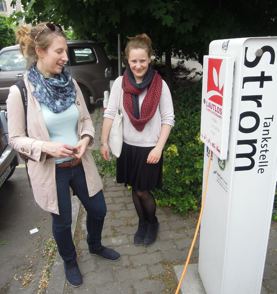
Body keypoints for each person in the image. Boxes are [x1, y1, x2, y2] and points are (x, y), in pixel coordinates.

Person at [7, 22, 120, 288]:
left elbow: (86, 120)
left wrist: (85, 139)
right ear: (40, 51)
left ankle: (94, 245)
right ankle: (69, 261)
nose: (66, 57)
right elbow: (14, 139)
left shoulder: (69, 83)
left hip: (79, 163)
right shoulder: (20, 92)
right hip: (51, 170)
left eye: (66, 51)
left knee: (99, 210)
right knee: (62, 221)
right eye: (60, 51)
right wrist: (47, 147)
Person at [100, 34, 175, 247]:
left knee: (143, 190)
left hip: (150, 147)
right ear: (127, 60)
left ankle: (153, 222)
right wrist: (103, 141)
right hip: (127, 147)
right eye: (134, 61)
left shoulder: (160, 86)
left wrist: (159, 148)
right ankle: (142, 223)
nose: (138, 65)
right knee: (134, 188)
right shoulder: (120, 84)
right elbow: (110, 113)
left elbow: (168, 118)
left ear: (150, 59)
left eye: (142, 60)